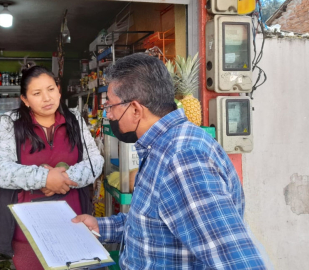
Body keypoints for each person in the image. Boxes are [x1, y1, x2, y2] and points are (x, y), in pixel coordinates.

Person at [72, 54, 268, 269]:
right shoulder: (161, 147)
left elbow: (238, 261)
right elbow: (155, 225)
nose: (108, 115)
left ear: (136, 109)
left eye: (110, 106)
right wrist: (101, 226)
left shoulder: (182, 159)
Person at [0, 65, 103, 270]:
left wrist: (63, 178)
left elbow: (95, 162)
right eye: (37, 93)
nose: (47, 98)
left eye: (51, 89)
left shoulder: (75, 120)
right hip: (27, 233)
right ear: (25, 99)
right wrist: (43, 178)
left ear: (59, 89)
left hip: (73, 225)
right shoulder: (10, 124)